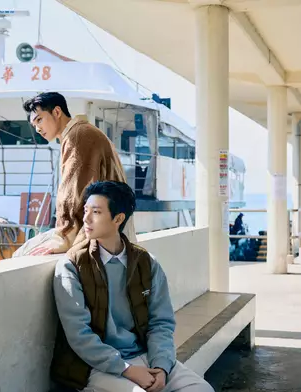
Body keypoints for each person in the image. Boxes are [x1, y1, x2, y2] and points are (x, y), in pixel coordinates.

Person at [51, 181, 214, 392]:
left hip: (145, 356)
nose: (86, 218)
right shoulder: (72, 266)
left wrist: (161, 367)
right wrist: (126, 369)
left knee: (202, 389)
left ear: (118, 218)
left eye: (96, 212)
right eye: (86, 210)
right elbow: (78, 334)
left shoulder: (146, 263)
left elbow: (161, 322)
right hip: (94, 366)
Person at [12, 92, 136, 257]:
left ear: (57, 112)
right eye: (34, 125)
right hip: (111, 227)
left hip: (101, 232)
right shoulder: (81, 132)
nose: (38, 128)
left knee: (22, 254)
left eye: (39, 120)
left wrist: (64, 237)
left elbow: (73, 194)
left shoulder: (77, 136)